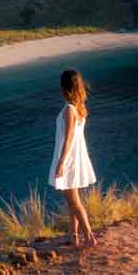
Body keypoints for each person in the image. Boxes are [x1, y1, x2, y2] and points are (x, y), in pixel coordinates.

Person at [50, 68, 97, 248]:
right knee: (72, 200)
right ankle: (73, 236)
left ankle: (89, 237)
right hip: (75, 157)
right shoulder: (79, 107)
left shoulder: (70, 109)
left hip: (69, 159)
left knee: (74, 201)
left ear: (64, 87)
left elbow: (69, 138)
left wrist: (61, 163)